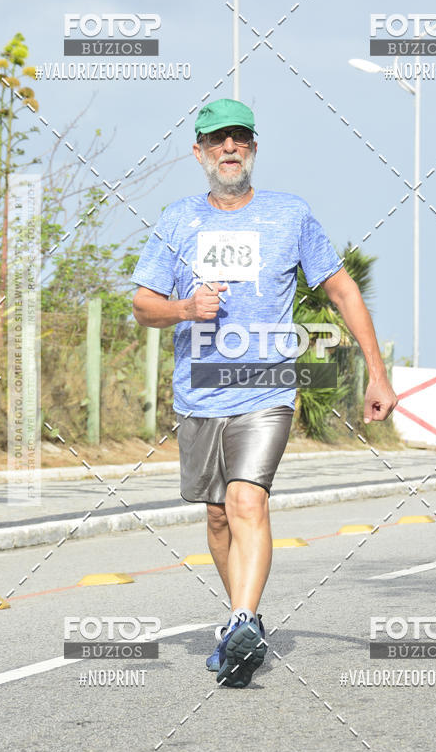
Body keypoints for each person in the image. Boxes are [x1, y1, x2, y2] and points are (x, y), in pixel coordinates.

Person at [131, 98, 397, 688]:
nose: (230, 148)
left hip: (266, 386)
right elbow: (143, 305)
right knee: (218, 515)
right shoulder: (178, 221)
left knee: (248, 501)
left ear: (254, 148)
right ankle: (239, 626)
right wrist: (183, 307)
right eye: (217, 140)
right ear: (199, 153)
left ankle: (245, 617)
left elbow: (343, 291)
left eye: (240, 139)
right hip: (199, 393)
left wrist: (378, 374)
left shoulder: (290, 215)